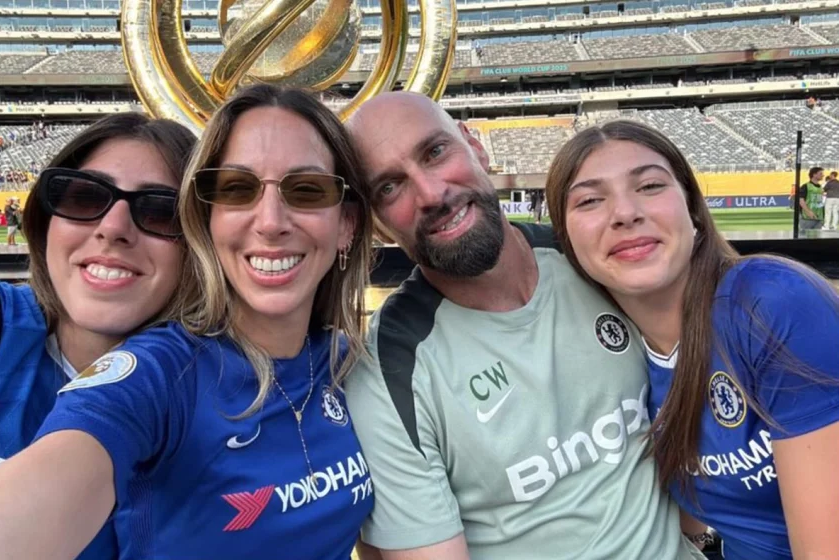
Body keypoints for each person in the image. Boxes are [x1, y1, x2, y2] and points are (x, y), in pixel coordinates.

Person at [0, 85, 374, 560]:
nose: (271, 220)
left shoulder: (358, 365)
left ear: (347, 224)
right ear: (207, 223)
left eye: (307, 190)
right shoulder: (158, 373)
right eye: (237, 188)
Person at [344, 92, 703, 559]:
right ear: (374, 223)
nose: (431, 194)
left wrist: (697, 540)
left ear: (475, 147)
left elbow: (694, 396)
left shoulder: (594, 258)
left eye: (435, 152)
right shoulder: (387, 374)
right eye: (389, 187)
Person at [545, 119, 839, 560]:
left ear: (693, 210)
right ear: (567, 243)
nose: (625, 213)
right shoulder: (613, 359)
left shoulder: (769, 301)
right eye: (590, 200)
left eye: (649, 186)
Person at [0, 112, 196, 559]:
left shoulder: (238, 394)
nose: (112, 228)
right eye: (84, 198)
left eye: (160, 211)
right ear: (45, 222)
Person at [798, 166, 824, 233]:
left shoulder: (820, 187)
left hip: (818, 217)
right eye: (820, 173)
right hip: (807, 218)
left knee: (817, 240)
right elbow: (801, 200)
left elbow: (819, 201)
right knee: (804, 238)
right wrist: (808, 211)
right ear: (814, 174)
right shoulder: (806, 186)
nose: (823, 175)